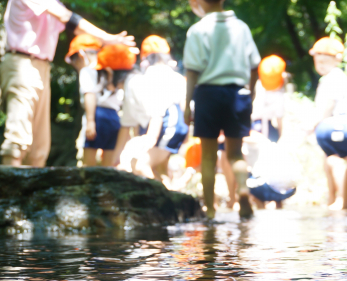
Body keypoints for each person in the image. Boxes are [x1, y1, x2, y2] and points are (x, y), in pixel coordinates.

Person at [0, 0, 135, 168]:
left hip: (42, 66)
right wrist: (108, 39)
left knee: (39, 146)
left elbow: (72, 24)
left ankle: (31, 192)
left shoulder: (56, 3)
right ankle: (8, 189)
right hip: (22, 62)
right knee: (18, 136)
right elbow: (66, 17)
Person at [184, 0, 261, 219]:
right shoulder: (241, 27)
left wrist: (187, 103)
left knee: (208, 156)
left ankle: (210, 210)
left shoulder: (197, 30)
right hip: (237, 94)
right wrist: (251, 91)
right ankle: (243, 191)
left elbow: (192, 71)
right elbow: (255, 65)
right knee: (235, 153)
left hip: (208, 94)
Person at [130, 36, 189, 181]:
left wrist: (151, 137)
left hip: (165, 124)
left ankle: (168, 201)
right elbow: (184, 106)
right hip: (175, 124)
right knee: (159, 169)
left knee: (140, 165)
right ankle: (167, 197)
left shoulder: (151, 74)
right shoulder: (177, 76)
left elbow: (158, 110)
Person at [309, 37, 347, 208]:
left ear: (337, 60)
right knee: (328, 162)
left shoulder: (335, 76)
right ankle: (333, 198)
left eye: (324, 62)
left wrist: (313, 124)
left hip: (335, 124)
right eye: (318, 62)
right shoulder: (327, 78)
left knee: (334, 161)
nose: (320, 66)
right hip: (327, 126)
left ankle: (342, 199)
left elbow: (329, 104)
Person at [80, 44, 136, 167]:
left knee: (106, 164)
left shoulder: (126, 80)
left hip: (108, 116)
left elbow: (90, 95)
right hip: (103, 115)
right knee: (93, 163)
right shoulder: (92, 72)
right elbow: (90, 95)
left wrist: (90, 121)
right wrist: (90, 121)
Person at [64, 35, 105, 166]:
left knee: (87, 166)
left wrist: (90, 121)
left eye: (74, 60)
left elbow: (89, 94)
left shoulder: (86, 71)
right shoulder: (107, 71)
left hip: (95, 117)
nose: (75, 66)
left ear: (81, 55)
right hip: (111, 119)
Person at [252, 55, 288, 143]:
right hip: (265, 127)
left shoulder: (259, 85)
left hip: (253, 124)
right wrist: (281, 136)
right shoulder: (279, 96)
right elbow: (279, 118)